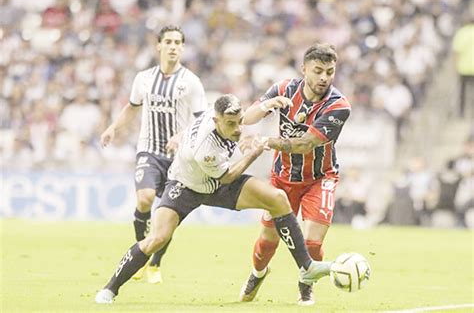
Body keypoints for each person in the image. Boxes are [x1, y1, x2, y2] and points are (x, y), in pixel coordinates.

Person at [95, 94, 333, 304]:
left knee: (278, 199)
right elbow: (228, 176)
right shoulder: (205, 148)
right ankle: (109, 289)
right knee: (157, 239)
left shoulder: (220, 113)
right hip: (186, 186)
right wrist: (254, 151)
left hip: (215, 182)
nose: (238, 128)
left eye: (238, 122)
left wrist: (268, 104)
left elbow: (246, 117)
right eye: (231, 124)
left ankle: (307, 267)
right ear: (216, 120)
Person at [239, 43, 351, 305]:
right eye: (318, 71)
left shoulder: (338, 106)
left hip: (320, 178)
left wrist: (267, 141)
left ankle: (305, 288)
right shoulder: (283, 89)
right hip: (282, 178)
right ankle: (258, 273)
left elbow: (305, 144)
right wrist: (268, 104)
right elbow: (247, 118)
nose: (324, 77)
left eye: (330, 72)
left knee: (312, 242)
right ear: (304, 69)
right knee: (268, 242)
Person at [100, 25, 206, 284]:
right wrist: (113, 128)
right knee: (145, 198)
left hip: (180, 158)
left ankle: (155, 263)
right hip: (149, 150)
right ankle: (140, 253)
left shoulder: (191, 82)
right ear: (158, 46)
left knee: (167, 215)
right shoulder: (144, 79)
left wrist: (182, 136)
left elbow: (203, 119)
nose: (173, 46)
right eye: (168, 41)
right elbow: (131, 107)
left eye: (178, 42)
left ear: (182, 47)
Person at [452, 12, 474, 118]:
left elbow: (456, 52)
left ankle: (461, 112)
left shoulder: (461, 33)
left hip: (463, 68)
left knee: (462, 93)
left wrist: (455, 67)